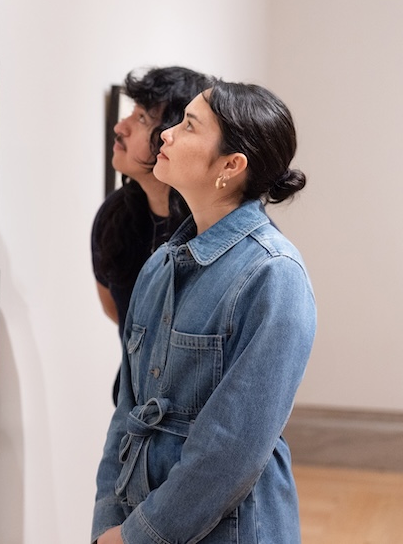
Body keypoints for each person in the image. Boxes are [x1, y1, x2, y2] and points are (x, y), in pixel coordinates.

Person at [91, 82, 316, 544]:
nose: (165, 136)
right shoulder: (160, 264)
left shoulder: (274, 275)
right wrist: (106, 524)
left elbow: (231, 448)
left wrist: (137, 536)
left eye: (188, 126)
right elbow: (127, 414)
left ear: (231, 166)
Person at [92, 66, 214, 404]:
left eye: (143, 119)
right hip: (133, 408)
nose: (121, 127)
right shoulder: (115, 216)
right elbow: (118, 309)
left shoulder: (215, 225)